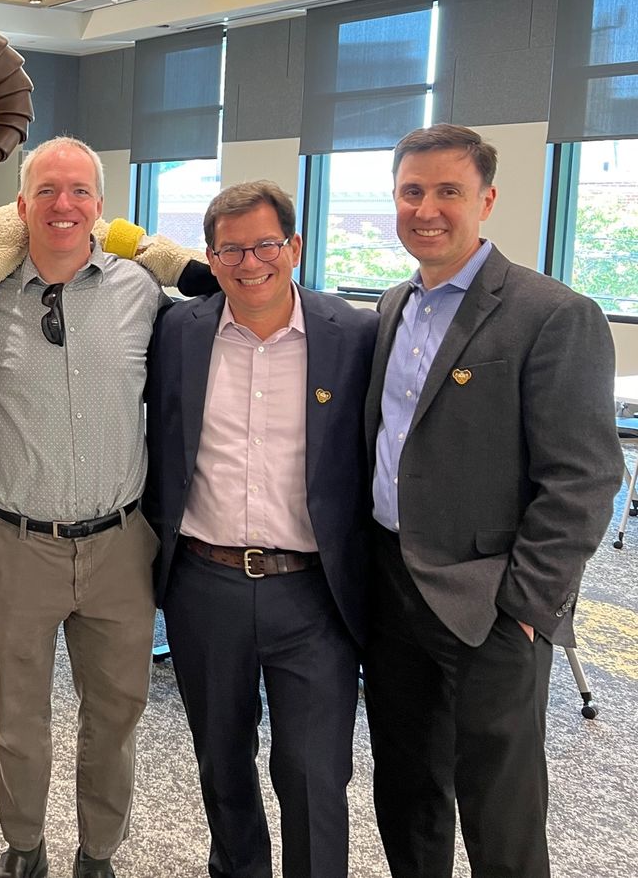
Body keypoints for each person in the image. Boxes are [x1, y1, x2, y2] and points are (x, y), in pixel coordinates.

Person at [364, 124, 622, 878]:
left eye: (449, 191)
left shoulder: (551, 312)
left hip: (490, 598)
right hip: (391, 584)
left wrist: (526, 605)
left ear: (487, 200)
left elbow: (583, 480)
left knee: (498, 800)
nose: (428, 208)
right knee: (407, 785)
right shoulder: (393, 305)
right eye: (412, 191)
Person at [145, 180, 376, 878]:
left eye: (266, 245)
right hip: (203, 583)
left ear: (295, 247)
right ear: (210, 259)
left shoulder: (355, 336)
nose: (251, 263)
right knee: (222, 763)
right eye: (231, 249)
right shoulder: (177, 331)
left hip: (313, 591)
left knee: (312, 773)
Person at [0, 136, 163, 878]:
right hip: (18, 545)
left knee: (115, 715)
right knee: (20, 719)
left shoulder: (140, 295)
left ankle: (98, 853)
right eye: (47, 190)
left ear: (100, 208)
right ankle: (24, 848)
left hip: (120, 544)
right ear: (20, 205)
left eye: (79, 191)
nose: (63, 204)